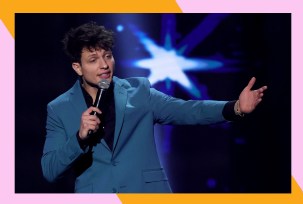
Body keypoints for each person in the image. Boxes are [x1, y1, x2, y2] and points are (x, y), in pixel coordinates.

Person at [41, 21, 267, 193]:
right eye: (93, 60)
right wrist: (79, 139)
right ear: (77, 67)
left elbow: (188, 110)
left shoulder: (139, 92)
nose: (104, 65)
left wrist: (235, 107)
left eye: (108, 56)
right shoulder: (59, 108)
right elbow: (50, 170)